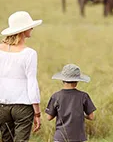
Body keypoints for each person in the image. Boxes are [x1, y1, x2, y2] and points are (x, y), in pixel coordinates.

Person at [0, 11, 43, 142]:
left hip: (2, 106)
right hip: (23, 106)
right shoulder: (29, 53)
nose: (32, 28)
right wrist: (37, 112)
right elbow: (32, 83)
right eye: (29, 26)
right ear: (23, 30)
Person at [45, 64, 96, 142]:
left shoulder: (56, 96)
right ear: (77, 81)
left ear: (62, 80)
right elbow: (91, 117)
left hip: (60, 137)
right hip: (79, 137)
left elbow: (49, 117)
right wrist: (82, 114)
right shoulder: (84, 96)